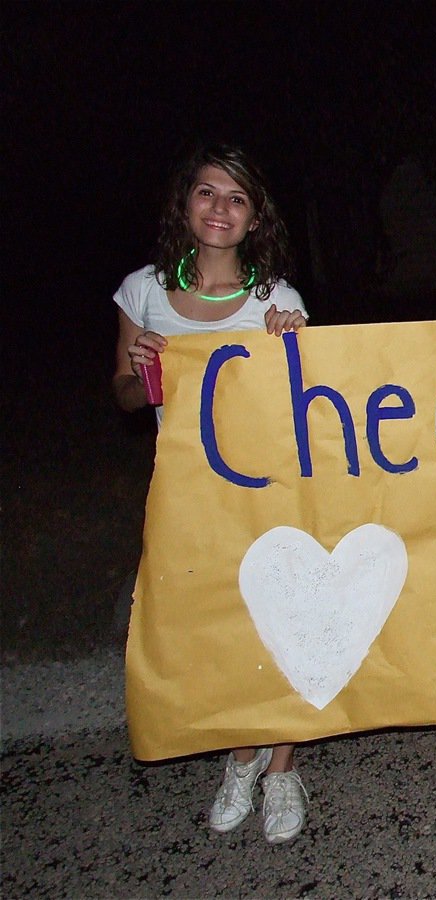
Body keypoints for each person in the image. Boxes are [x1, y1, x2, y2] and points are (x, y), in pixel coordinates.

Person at [113, 145, 312, 839]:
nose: (220, 208)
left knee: (280, 621)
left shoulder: (273, 299)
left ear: (255, 217)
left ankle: (280, 766)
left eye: (236, 198)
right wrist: (139, 374)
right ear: (184, 204)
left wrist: (294, 343)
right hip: (190, 499)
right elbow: (127, 399)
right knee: (218, 626)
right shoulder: (143, 290)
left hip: (268, 495)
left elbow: (308, 403)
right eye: (207, 192)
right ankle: (241, 752)